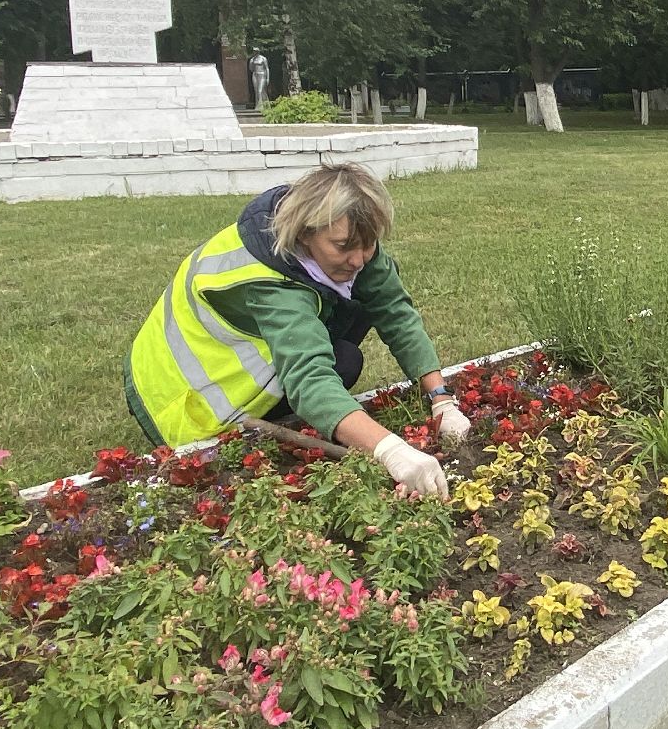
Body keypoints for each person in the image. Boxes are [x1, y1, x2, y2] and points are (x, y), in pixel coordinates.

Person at [124, 162, 469, 499]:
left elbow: (395, 312)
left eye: (368, 244)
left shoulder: (348, 236)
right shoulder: (269, 281)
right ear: (305, 233)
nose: (359, 259)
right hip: (184, 393)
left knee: (346, 355)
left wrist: (441, 399)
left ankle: (323, 411)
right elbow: (309, 379)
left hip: (233, 358)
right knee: (335, 369)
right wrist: (391, 450)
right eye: (344, 246)